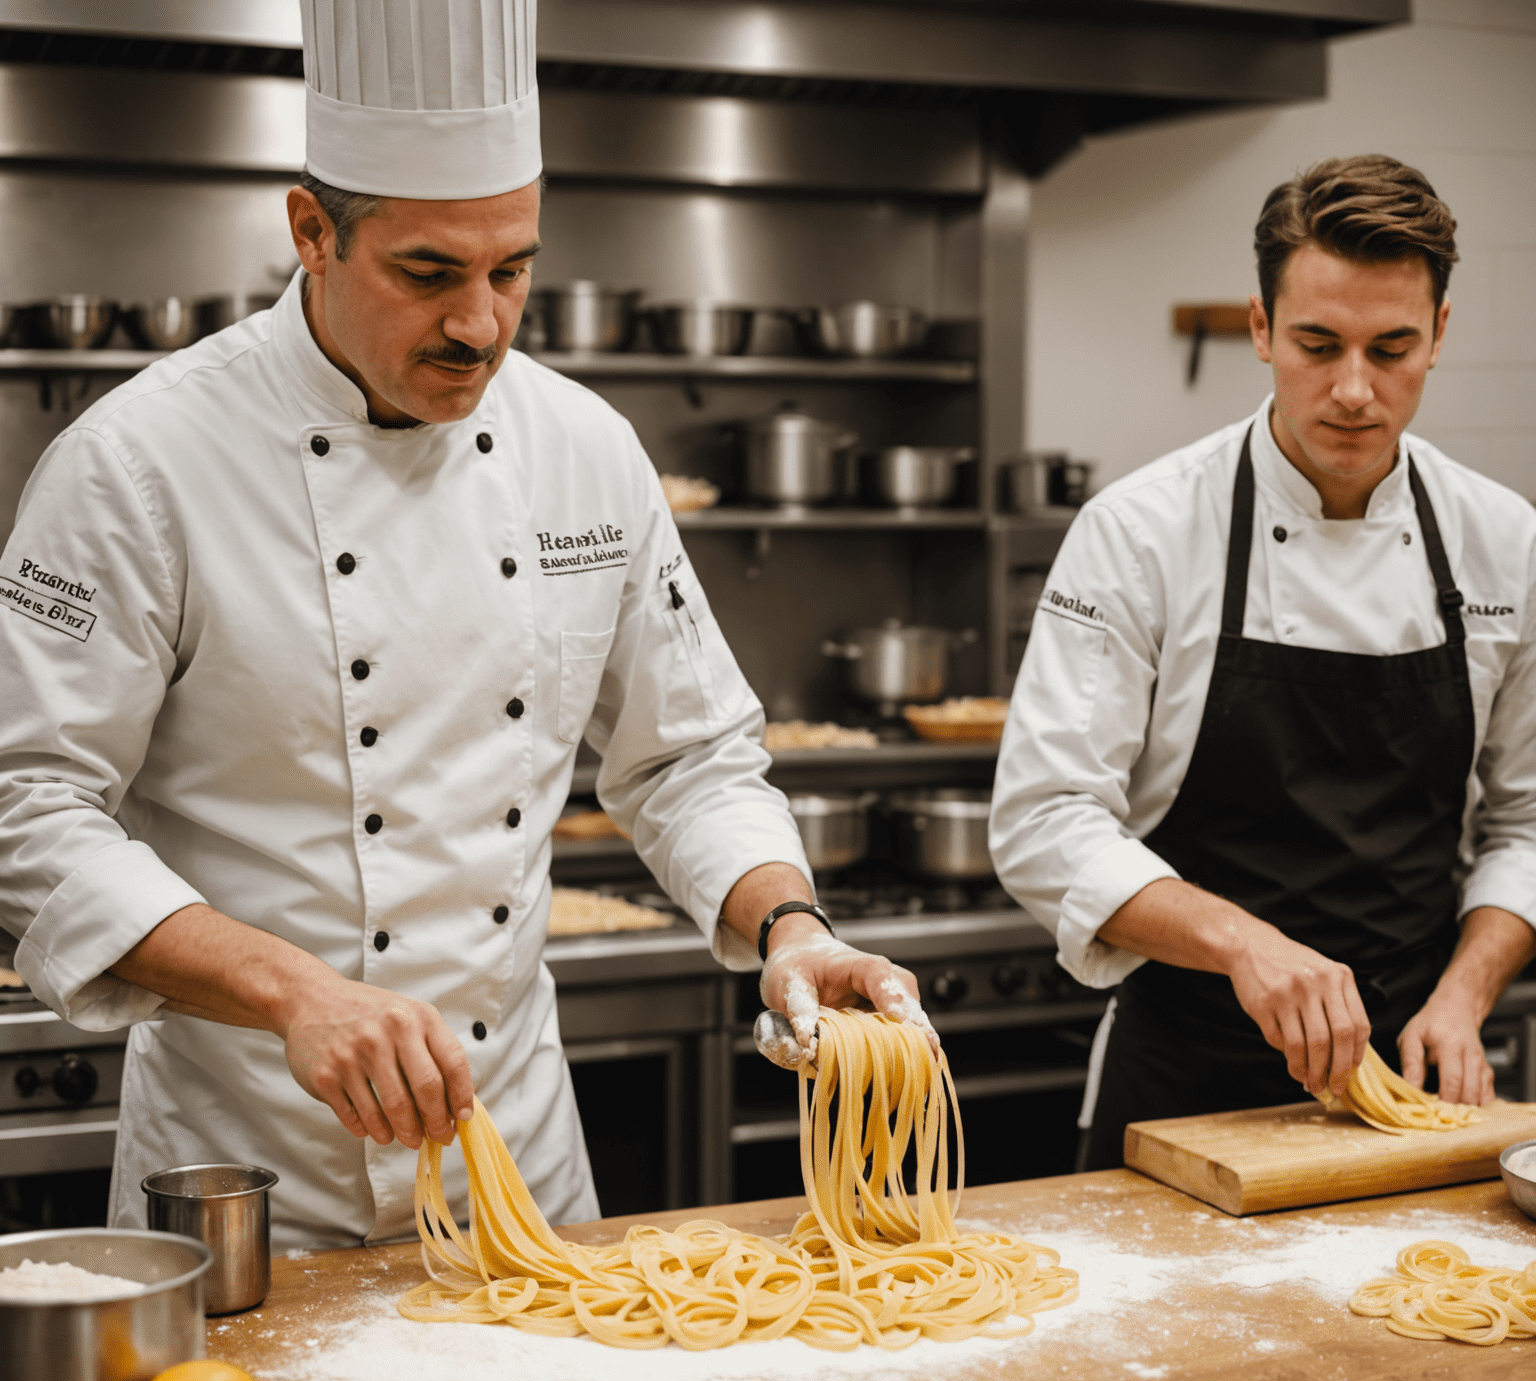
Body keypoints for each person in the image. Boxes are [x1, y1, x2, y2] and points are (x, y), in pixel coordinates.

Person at [0, 0, 930, 1249]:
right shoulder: (140, 463)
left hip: (520, 1176)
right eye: (429, 274)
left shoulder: (586, 451)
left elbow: (690, 755)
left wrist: (788, 925)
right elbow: (28, 804)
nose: (481, 325)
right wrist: (295, 994)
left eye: (513, 271)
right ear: (312, 232)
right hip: (248, 1183)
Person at [989, 155, 1536, 1170]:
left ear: (1441, 335)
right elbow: (1044, 818)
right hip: (1184, 1086)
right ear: (1260, 329)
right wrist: (1246, 946)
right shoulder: (1141, 534)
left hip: (1415, 1080)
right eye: (1318, 345)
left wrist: (1465, 996)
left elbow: (1529, 819)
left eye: (1393, 347)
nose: (1354, 390)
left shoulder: (1505, 541)